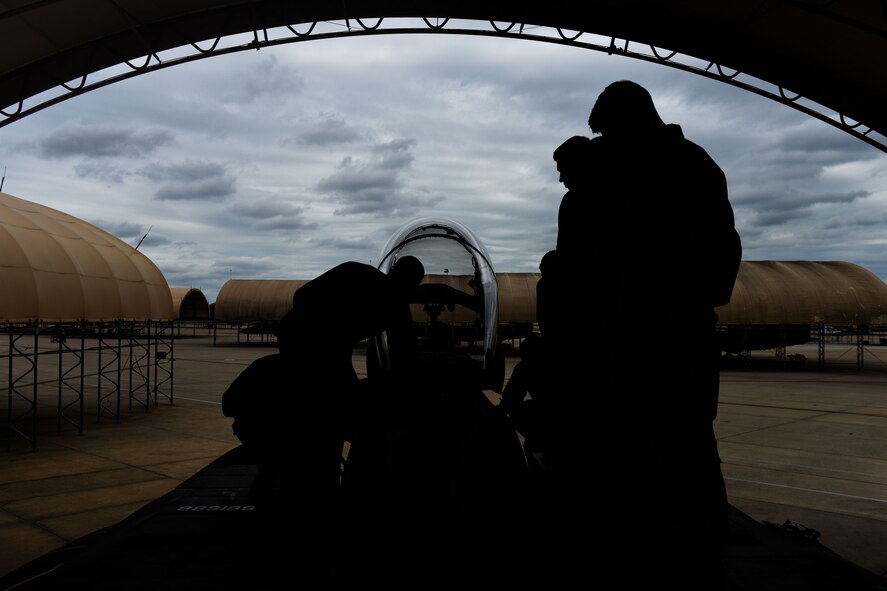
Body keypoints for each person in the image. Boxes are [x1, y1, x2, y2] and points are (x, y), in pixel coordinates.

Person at [549, 79, 741, 588]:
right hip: (685, 347)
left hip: (620, 356)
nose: (602, 143)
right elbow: (723, 267)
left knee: (622, 473)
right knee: (692, 457)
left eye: (607, 132)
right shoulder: (699, 167)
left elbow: (574, 279)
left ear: (630, 121)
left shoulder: (605, 179)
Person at [221, 255, 425, 584]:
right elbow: (405, 360)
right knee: (323, 424)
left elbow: (303, 294)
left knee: (314, 422)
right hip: (318, 349)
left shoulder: (359, 275)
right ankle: (311, 512)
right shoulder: (385, 298)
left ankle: (288, 493)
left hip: (310, 342)